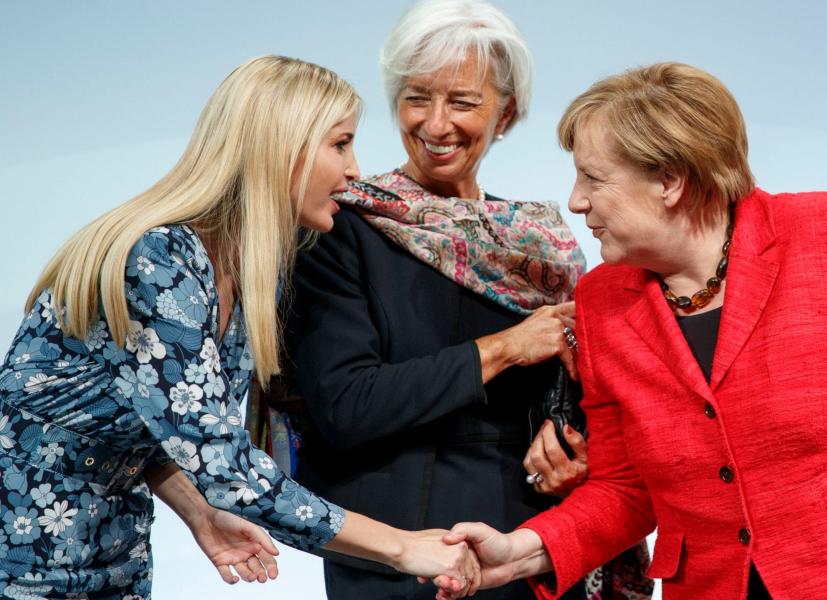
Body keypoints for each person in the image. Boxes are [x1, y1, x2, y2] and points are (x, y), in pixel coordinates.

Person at [436, 62, 827, 600]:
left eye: (593, 178)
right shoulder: (601, 302)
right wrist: (520, 551)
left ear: (669, 180)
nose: (575, 201)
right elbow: (625, 490)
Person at [0, 55, 480, 599]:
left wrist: (200, 513)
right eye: (340, 143)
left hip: (112, 553)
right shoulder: (156, 260)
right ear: (280, 148)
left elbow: (157, 425)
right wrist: (401, 547)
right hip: (20, 560)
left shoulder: (250, 274)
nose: (354, 170)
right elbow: (224, 463)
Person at [249, 1, 587, 598]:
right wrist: (506, 348)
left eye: (462, 101)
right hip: (400, 553)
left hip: (527, 543)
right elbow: (347, 407)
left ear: (506, 112)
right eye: (416, 98)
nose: (435, 125)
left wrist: (571, 443)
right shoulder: (340, 228)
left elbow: (583, 388)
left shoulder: (539, 244)